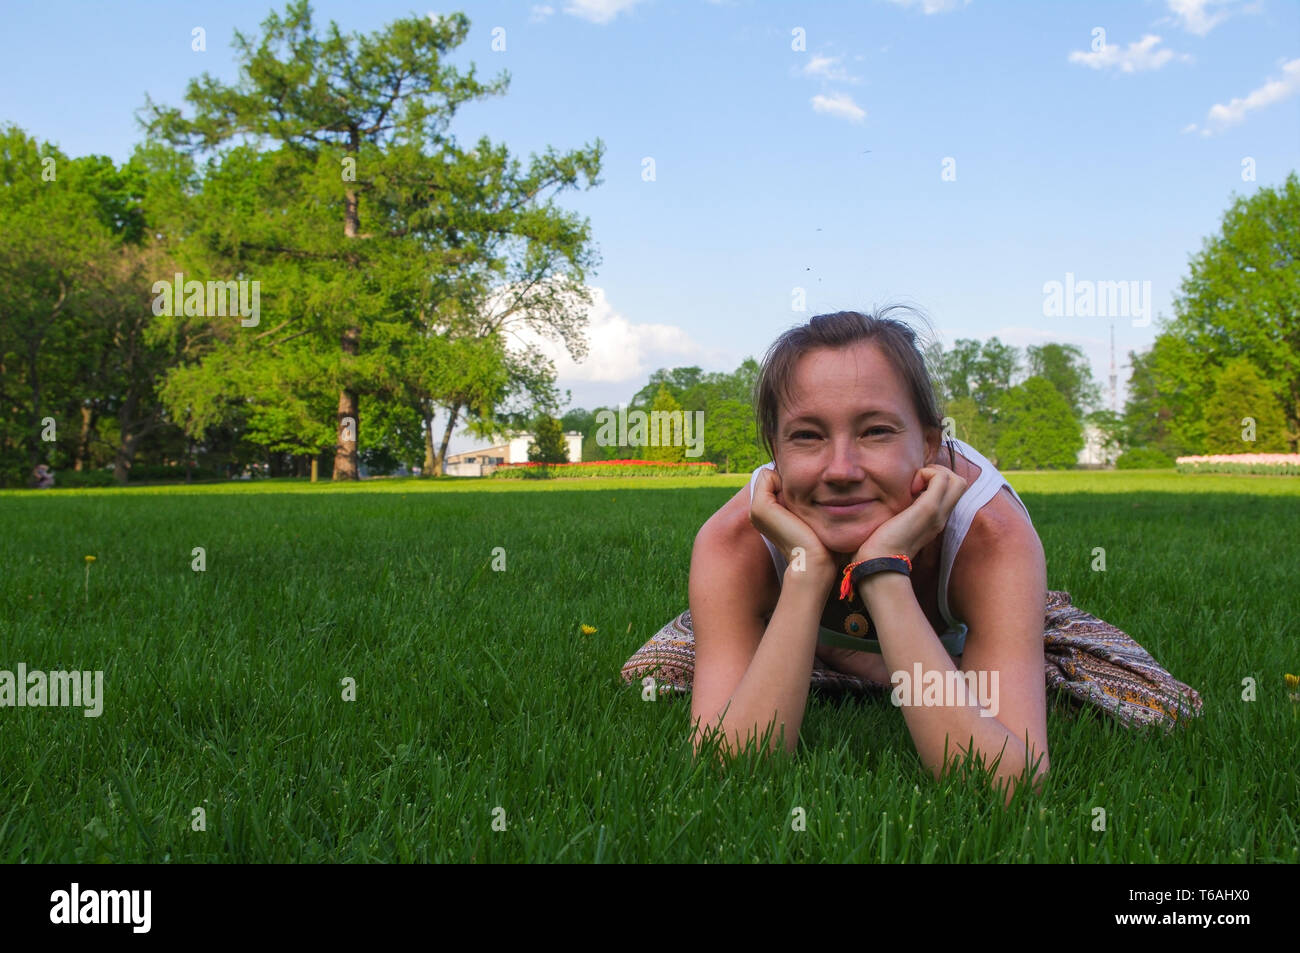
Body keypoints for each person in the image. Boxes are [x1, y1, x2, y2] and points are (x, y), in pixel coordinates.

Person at [621, 306, 1202, 803]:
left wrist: (883, 569)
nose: (841, 470)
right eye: (806, 436)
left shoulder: (990, 534)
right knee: (661, 663)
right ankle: (846, 656)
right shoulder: (733, 541)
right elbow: (729, 772)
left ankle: (856, 659)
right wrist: (807, 573)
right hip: (802, 619)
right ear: (773, 449)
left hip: (947, 632)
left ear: (928, 442)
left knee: (1144, 699)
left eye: (875, 431)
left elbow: (1008, 783)